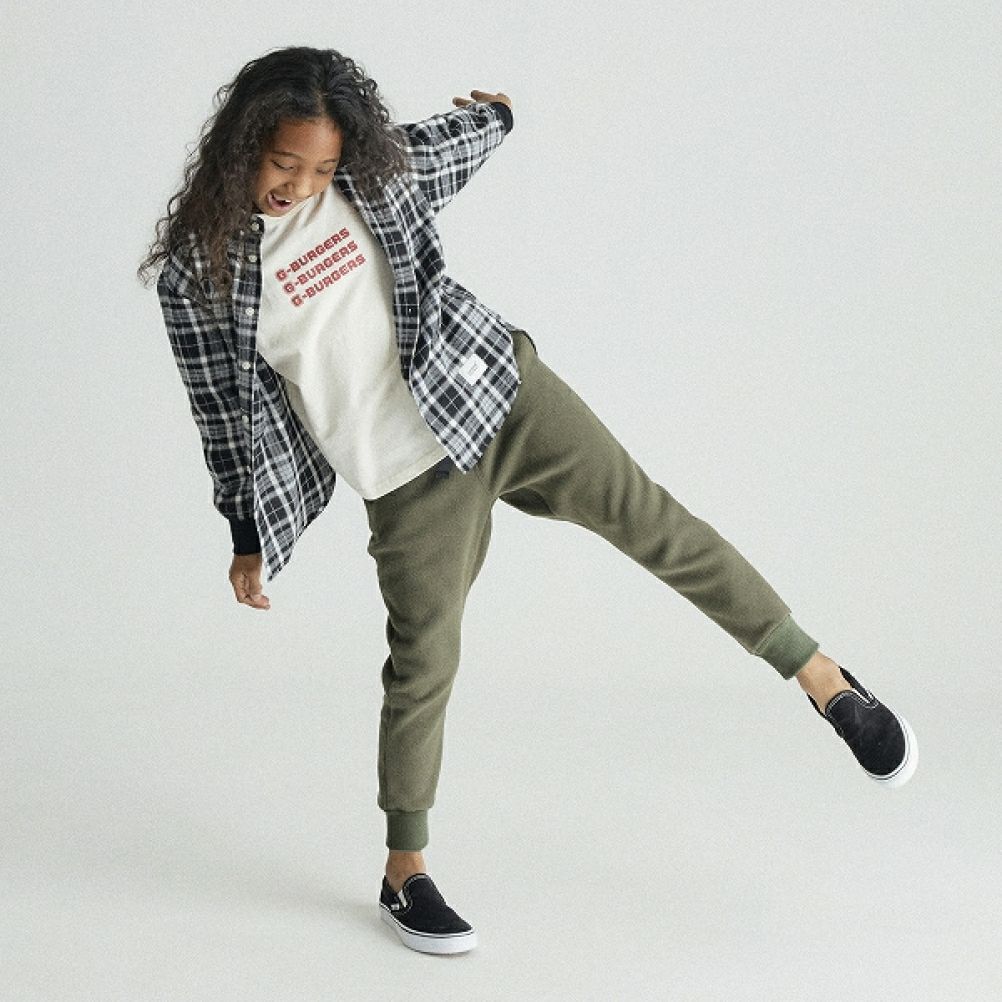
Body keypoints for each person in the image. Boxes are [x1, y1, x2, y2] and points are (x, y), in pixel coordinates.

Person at [139, 45, 918, 956]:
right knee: (423, 663)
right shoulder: (199, 273)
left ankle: (823, 679)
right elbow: (221, 410)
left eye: (321, 168)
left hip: (495, 393)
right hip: (407, 478)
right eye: (284, 164)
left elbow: (450, 146)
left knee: (654, 522)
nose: (302, 186)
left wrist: (498, 114)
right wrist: (245, 530)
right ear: (244, 144)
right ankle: (404, 872)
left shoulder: (371, 179)